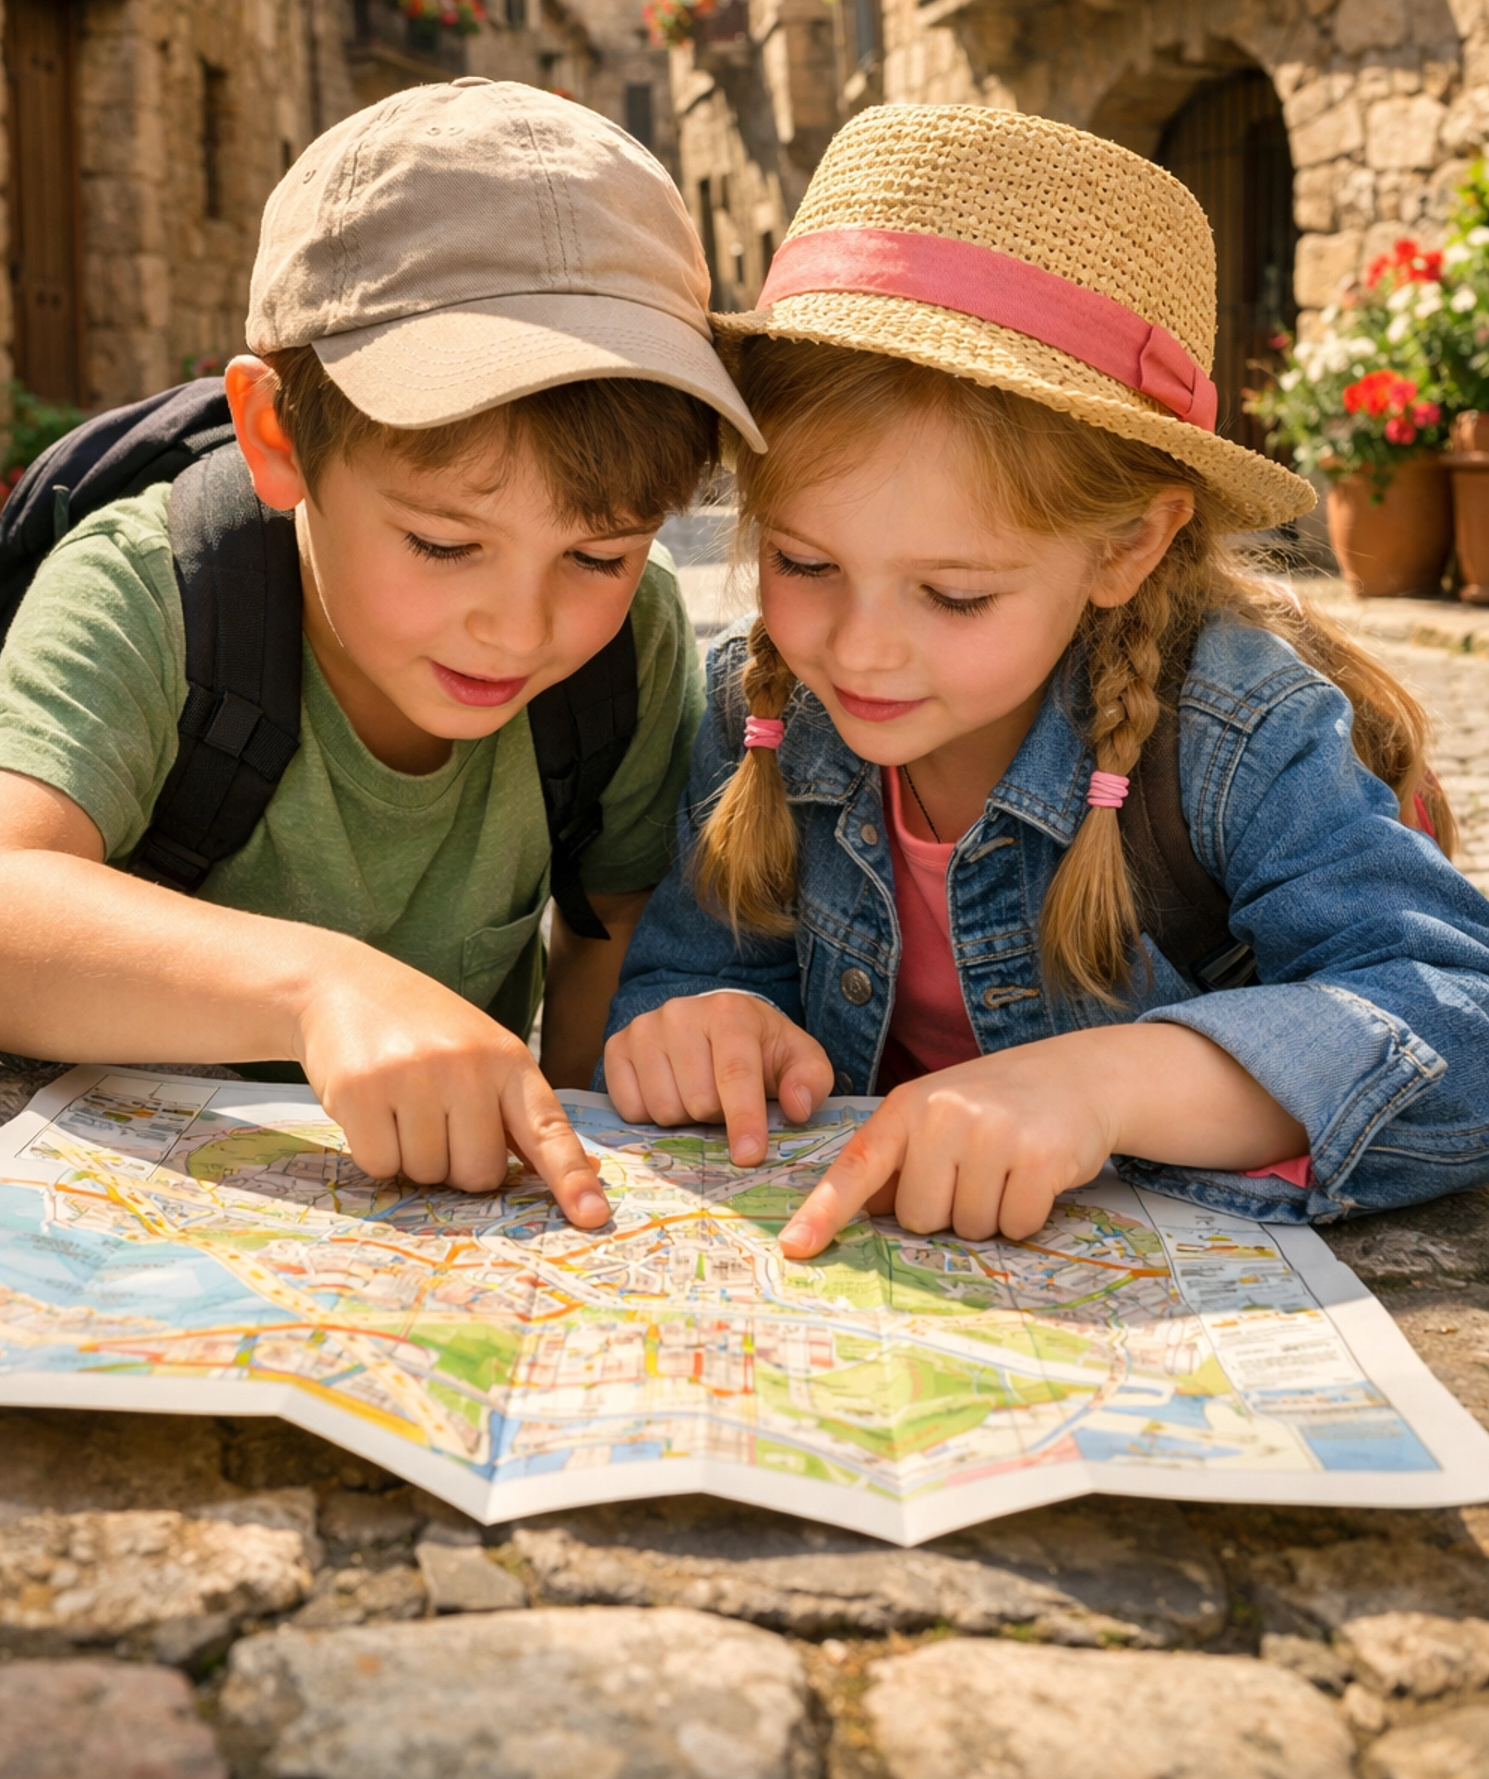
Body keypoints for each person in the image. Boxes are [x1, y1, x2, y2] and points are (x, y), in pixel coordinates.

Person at [602, 102, 1489, 1258]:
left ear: (1127, 546)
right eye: (805, 564)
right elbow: (696, 969)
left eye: (955, 594)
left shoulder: (1230, 734)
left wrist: (1109, 1086)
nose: (860, 651)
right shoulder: (762, 705)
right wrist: (708, 1024)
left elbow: (1459, 1029)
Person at [0, 78, 762, 1232]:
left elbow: (609, 931)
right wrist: (319, 989)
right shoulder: (156, 593)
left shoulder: (627, 645)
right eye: (443, 543)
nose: (519, 627)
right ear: (277, 435)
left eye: (598, 555)